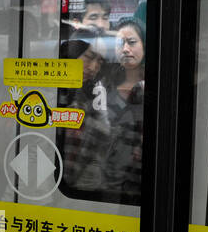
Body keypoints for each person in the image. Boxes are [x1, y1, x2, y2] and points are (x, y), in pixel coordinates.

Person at [58, 28, 113, 192]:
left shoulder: (92, 93)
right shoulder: (50, 90)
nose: (93, 67)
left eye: (100, 62)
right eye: (89, 57)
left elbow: (105, 132)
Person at [105, 17, 147, 201]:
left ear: (145, 45)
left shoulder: (155, 86)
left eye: (132, 42)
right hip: (108, 179)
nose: (125, 49)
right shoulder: (104, 86)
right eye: (120, 43)